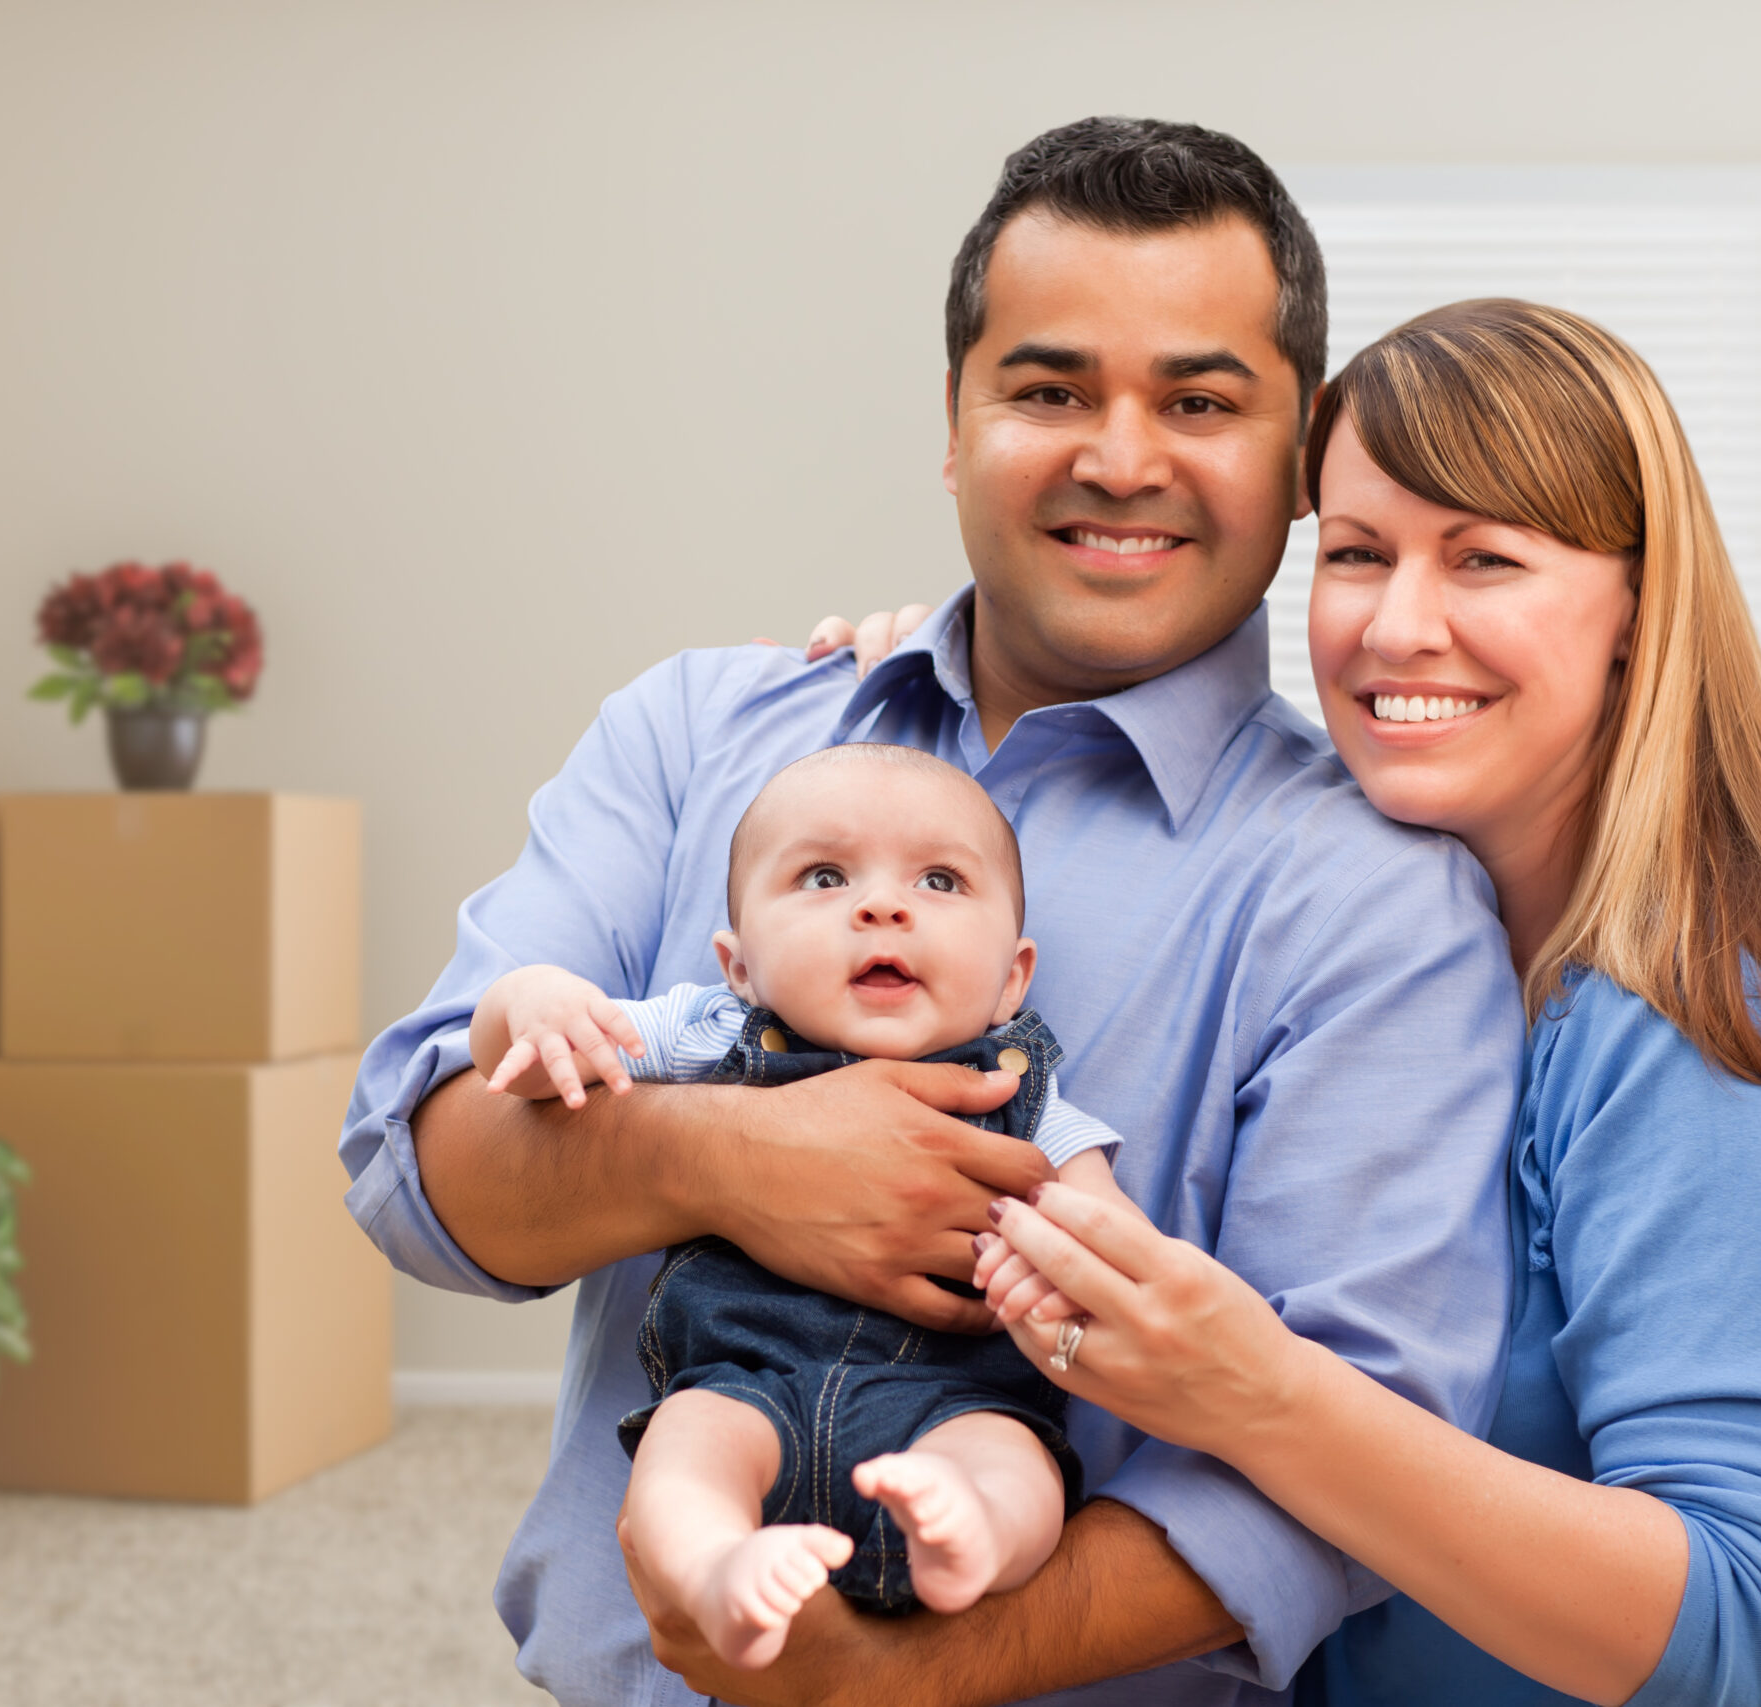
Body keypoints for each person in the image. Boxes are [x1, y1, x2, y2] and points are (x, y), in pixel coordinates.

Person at [340, 118, 1528, 1705]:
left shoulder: (1378, 897)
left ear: (1300, 451)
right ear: (955, 425)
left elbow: (1352, 1464)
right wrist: (734, 1155)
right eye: (1048, 391)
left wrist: (892, 1674)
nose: (1120, 457)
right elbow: (419, 1173)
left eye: (1199, 399)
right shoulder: (700, 733)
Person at [944, 299, 1761, 1706]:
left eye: (1486, 558)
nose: (1400, 627)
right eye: (1354, 554)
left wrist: (1259, 1391)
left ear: (1640, 605)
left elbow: (1745, 1632)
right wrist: (960, 669)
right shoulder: (1424, 943)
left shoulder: (1711, 1017)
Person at [471, 744, 1134, 1669]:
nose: (883, 906)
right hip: (743, 1383)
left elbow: (1112, 1243)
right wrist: (531, 1003)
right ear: (737, 964)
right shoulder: (709, 1031)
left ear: (1013, 976)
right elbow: (530, 1054)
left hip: (953, 1399)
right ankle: (714, 1568)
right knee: (683, 1451)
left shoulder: (1027, 1094)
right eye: (824, 876)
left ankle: (967, 1535)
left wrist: (1073, 1272)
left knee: (1014, 1466)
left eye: (940, 879)